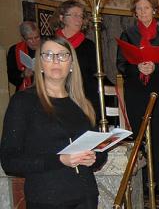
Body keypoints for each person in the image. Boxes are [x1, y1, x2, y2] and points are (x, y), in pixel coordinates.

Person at [0, 37, 107, 208]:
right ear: (40, 64)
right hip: (47, 198)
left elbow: (101, 154)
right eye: (48, 55)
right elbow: (9, 161)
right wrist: (60, 160)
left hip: (86, 196)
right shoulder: (23, 101)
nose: (56, 60)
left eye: (63, 55)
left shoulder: (81, 104)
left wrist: (94, 157)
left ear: (71, 64)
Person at [117, 0, 159, 196]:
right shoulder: (128, 35)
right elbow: (121, 64)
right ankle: (142, 181)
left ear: (154, 10)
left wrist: (154, 68)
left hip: (158, 91)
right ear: (135, 12)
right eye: (139, 8)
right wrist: (138, 69)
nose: (143, 11)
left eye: (146, 8)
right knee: (139, 136)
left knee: (158, 136)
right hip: (135, 91)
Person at [51, 0, 99, 120]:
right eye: (75, 15)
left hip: (84, 97)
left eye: (81, 16)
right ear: (62, 18)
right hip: (57, 97)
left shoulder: (88, 45)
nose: (79, 19)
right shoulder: (51, 43)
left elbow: (95, 73)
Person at [7, 21, 41, 91]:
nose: (34, 41)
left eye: (37, 37)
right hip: (26, 91)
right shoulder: (15, 50)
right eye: (30, 39)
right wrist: (23, 74)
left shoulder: (47, 47)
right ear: (23, 38)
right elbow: (11, 75)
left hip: (46, 89)